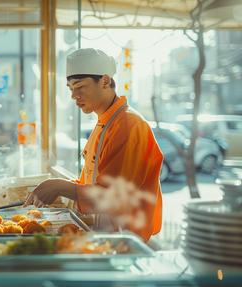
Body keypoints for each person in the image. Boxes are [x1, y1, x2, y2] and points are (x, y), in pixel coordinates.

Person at [24, 48, 163, 241]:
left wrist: (60, 187)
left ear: (105, 81)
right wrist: (58, 187)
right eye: (70, 89)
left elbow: (115, 197)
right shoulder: (104, 123)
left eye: (80, 87)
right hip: (106, 234)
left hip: (126, 240)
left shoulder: (128, 125)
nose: (74, 95)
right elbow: (93, 184)